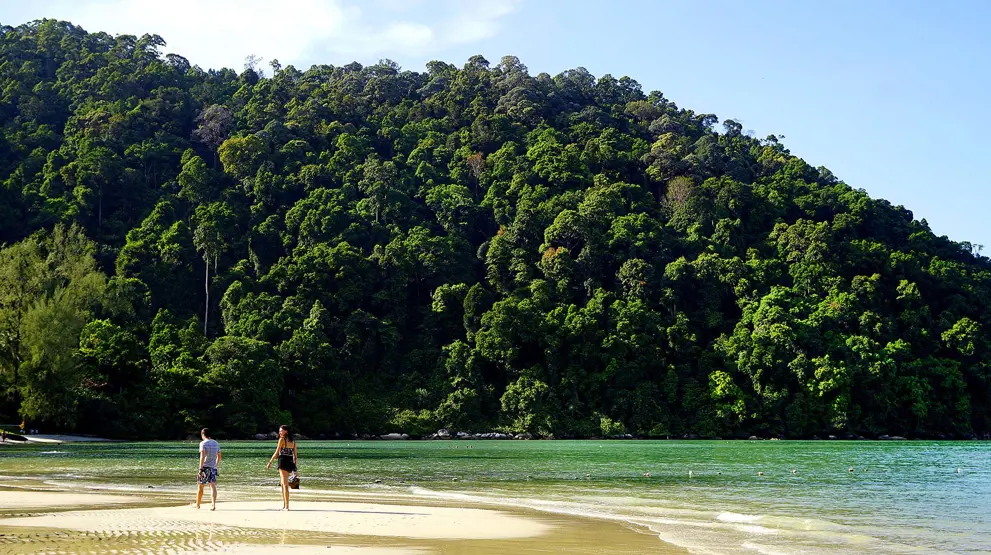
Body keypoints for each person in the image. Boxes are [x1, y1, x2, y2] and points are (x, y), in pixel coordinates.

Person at [267, 425, 297, 511]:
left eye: (281, 431)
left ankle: (286, 506)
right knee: (284, 484)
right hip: (290, 462)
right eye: (279, 431)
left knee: (285, 485)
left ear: (286, 431)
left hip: (283, 462)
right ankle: (285, 505)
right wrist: (295, 468)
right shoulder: (293, 442)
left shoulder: (282, 440)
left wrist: (270, 462)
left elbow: (276, 453)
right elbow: (295, 456)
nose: (279, 432)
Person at [196, 428, 222, 510]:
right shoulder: (216, 443)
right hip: (213, 467)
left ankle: (198, 505)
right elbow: (219, 457)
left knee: (201, 486)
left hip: (205, 467)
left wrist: (200, 469)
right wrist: (216, 465)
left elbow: (202, 457)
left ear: (203, 435)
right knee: (213, 486)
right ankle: (213, 505)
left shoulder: (203, 443)